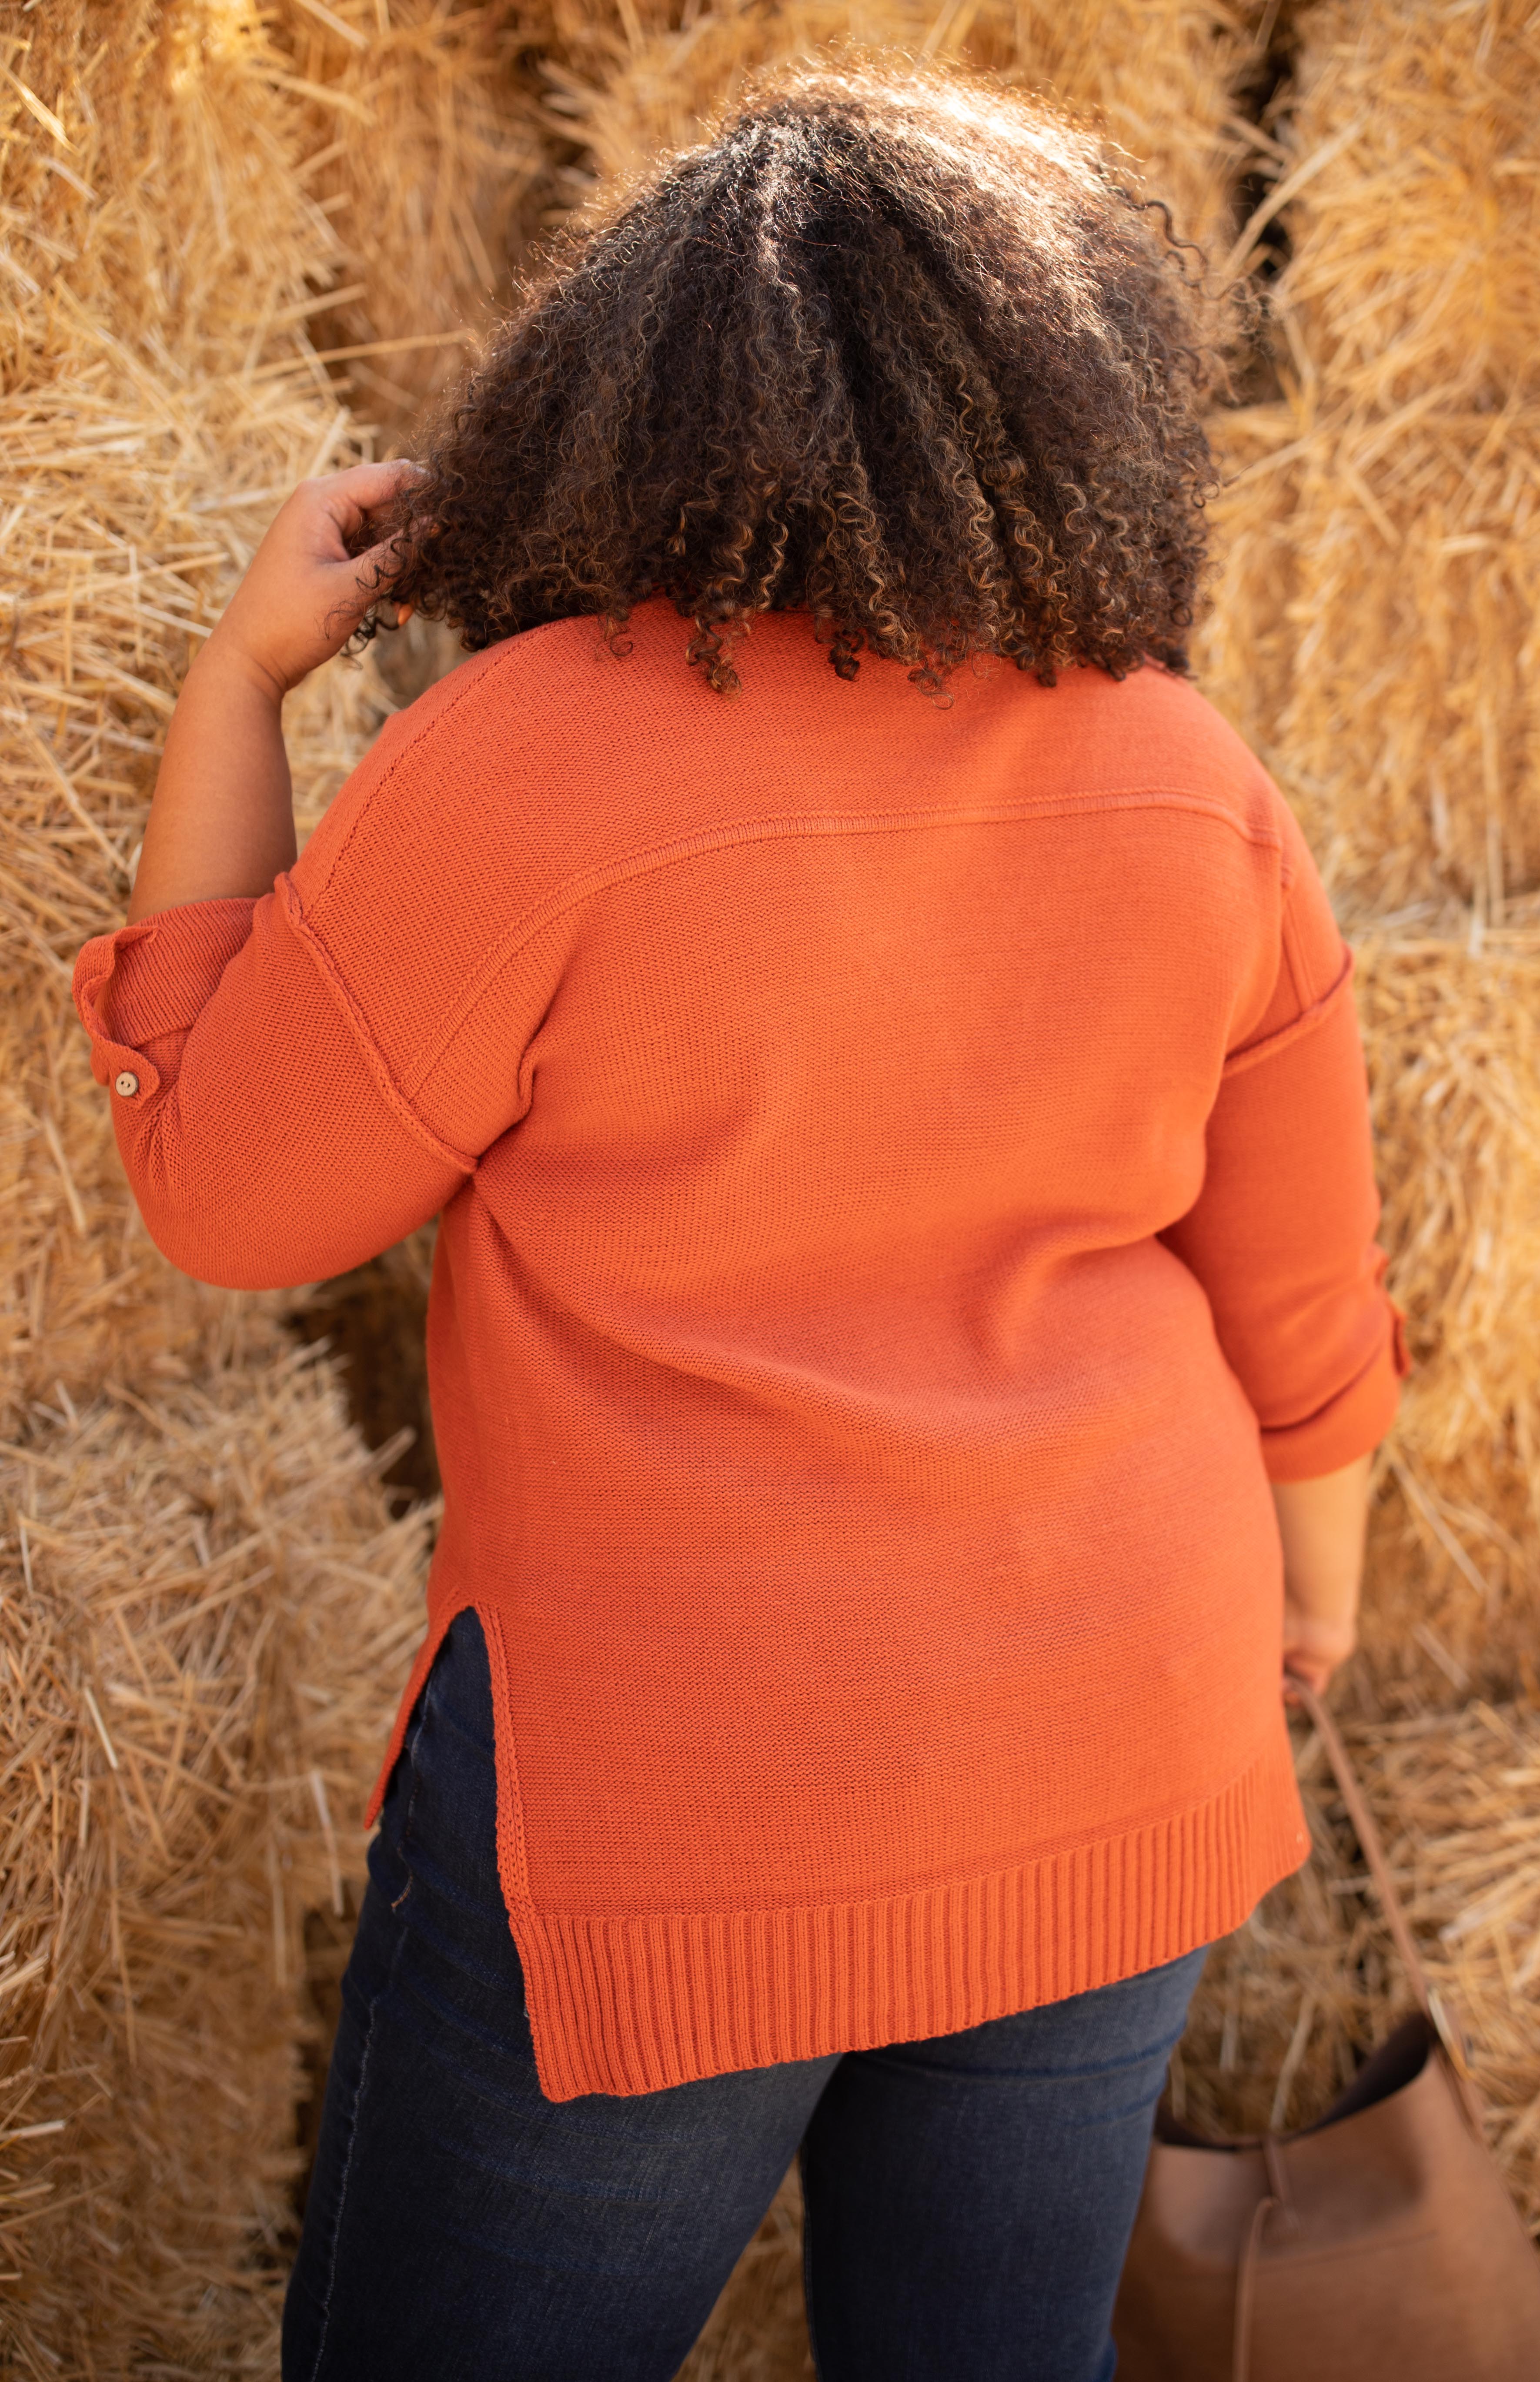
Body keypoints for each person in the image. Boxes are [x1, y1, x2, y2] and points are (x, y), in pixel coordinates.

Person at [73, 67, 1405, 2382]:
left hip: (668, 1807)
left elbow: (226, 1195)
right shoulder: (1188, 772)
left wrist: (241, 677)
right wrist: (1304, 1606)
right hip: (1117, 1727)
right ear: (1074, 391)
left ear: (625, 388)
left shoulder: (516, 759)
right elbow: (1302, 1317)